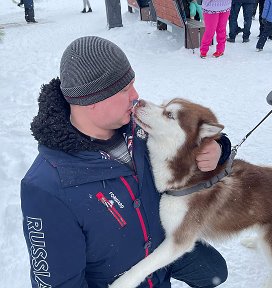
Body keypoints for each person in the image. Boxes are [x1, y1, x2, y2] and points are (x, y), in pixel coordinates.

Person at [21, 36, 231, 288]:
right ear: (91, 101)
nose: (136, 96)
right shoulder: (47, 186)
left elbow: (187, 138)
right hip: (118, 280)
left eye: (132, 85)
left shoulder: (139, 130)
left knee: (214, 270)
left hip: (158, 260)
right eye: (124, 90)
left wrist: (219, 147)